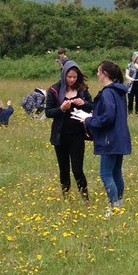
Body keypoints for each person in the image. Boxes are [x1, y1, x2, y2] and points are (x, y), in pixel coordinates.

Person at [82, 60, 131, 216]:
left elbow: (108, 117)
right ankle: (119, 204)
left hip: (110, 139)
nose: (96, 74)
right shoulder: (118, 91)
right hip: (120, 137)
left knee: (105, 174)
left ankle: (114, 206)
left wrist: (88, 120)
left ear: (105, 74)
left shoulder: (108, 92)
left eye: (98, 71)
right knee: (116, 172)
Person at [45, 60, 93, 199]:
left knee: (77, 169)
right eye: (69, 77)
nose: (72, 80)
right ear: (64, 75)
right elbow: (48, 112)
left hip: (77, 135)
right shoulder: (54, 90)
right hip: (60, 136)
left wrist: (83, 103)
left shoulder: (82, 90)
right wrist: (61, 109)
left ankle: (86, 198)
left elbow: (92, 106)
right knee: (63, 169)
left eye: (74, 77)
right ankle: (65, 197)